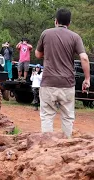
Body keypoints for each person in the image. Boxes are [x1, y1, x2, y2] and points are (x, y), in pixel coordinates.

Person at [35, 8, 91, 138]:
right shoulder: (75, 37)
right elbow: (84, 58)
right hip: (67, 83)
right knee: (67, 116)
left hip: (48, 82)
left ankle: (47, 148)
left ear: (56, 21)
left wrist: (49, 51)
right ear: (69, 23)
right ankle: (67, 145)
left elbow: (38, 54)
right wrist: (87, 79)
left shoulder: (46, 34)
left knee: (47, 116)